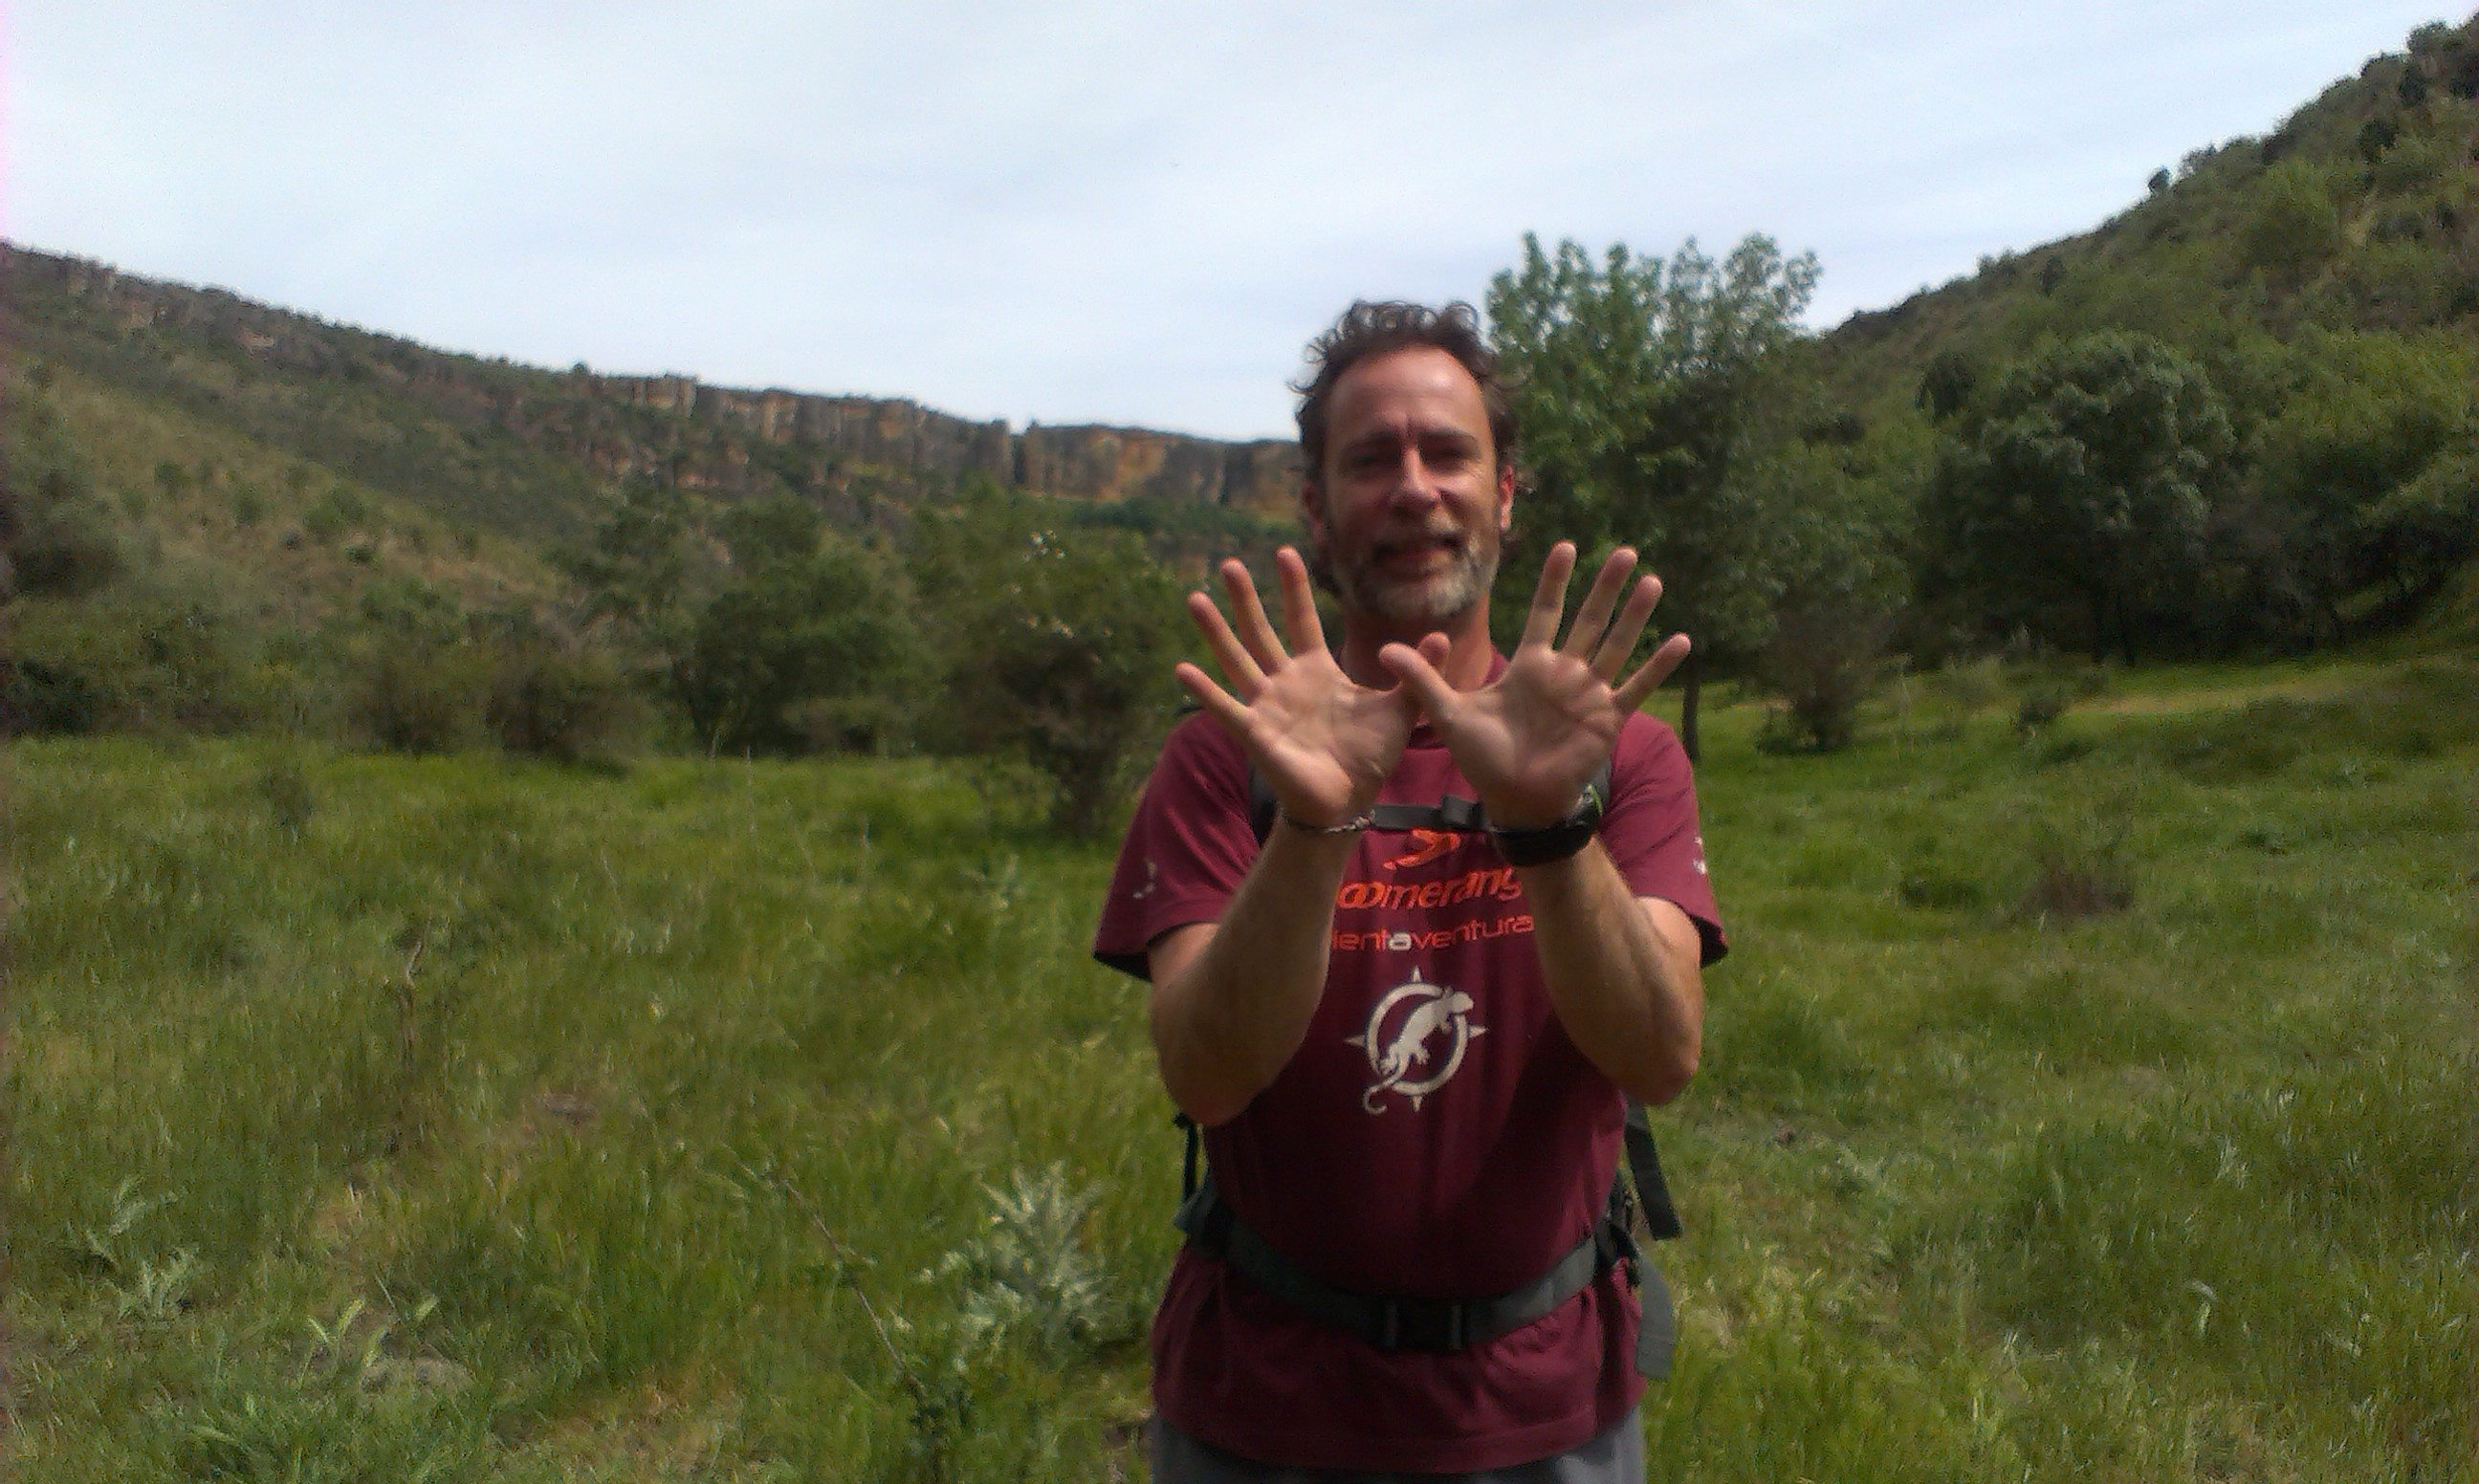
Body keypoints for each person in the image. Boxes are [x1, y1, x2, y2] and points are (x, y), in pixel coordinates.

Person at [1093, 301, 1725, 1480]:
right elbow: (1206, 1072)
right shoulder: (1218, 762)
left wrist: (1547, 824)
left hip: (1545, 1409)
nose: (1415, 486)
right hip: (1262, 1412)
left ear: (1505, 490)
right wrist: (1316, 818)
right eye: (1371, 458)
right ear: (1317, 506)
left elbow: (1660, 1056)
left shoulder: (1624, 762)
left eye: (1449, 452)